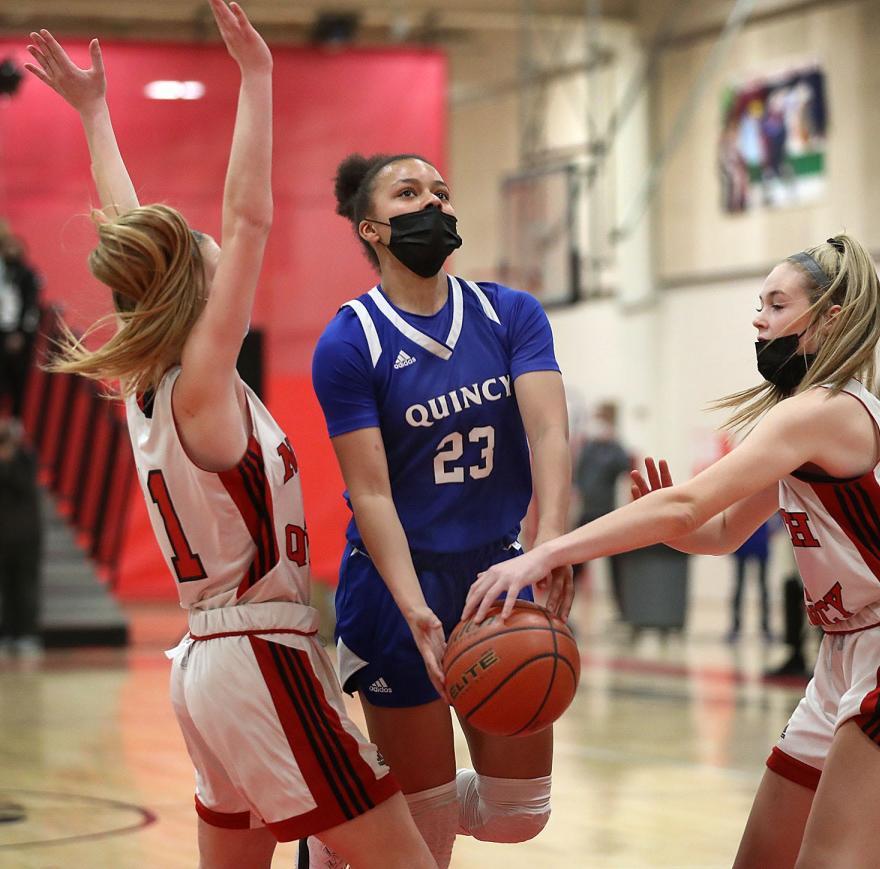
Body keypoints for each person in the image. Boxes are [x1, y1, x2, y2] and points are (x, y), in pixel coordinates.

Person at [25, 9, 434, 868]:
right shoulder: (202, 379)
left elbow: (138, 240)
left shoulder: (155, 379)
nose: (221, 247)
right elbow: (250, 220)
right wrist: (258, 78)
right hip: (260, 655)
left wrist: (95, 114)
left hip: (210, 663)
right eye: (205, 251)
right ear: (196, 286)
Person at [466, 234, 880, 868]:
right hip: (846, 651)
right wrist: (669, 521)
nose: (759, 318)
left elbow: (689, 507)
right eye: (759, 303)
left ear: (831, 317)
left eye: (777, 305)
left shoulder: (823, 410)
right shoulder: (801, 416)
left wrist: (545, 550)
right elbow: (720, 529)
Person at [310, 152, 574, 867]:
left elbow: (549, 429)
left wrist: (548, 544)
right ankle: (365, 831)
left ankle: (358, 821)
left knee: (520, 814)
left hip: (496, 573)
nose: (433, 203)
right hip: (399, 585)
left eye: (442, 191)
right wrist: (413, 605)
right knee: (425, 847)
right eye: (409, 192)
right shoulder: (350, 340)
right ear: (372, 228)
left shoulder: (508, 312)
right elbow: (371, 493)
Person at [572, 401, 632, 615]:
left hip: (607, 513)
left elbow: (625, 467)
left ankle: (623, 612)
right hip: (587, 513)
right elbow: (577, 476)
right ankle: (563, 604)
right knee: (575, 564)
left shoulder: (615, 448)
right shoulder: (589, 447)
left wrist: (614, 441)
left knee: (617, 568)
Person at [0, 416, 42, 656]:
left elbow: (24, 485)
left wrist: (10, 461)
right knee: (5, 587)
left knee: (26, 587)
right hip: (4, 537)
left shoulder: (25, 459)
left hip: (26, 538)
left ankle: (27, 634)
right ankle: (6, 634)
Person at [0, 229, 41, 419]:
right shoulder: (4, 271)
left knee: (17, 379)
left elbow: (31, 306)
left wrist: (21, 334)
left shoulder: (27, 274)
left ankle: (15, 419)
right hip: (4, 331)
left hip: (18, 334)